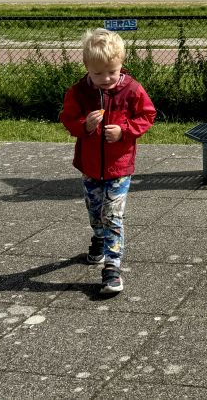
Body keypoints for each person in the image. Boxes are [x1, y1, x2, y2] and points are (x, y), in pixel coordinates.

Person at [60, 28, 156, 294]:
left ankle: (112, 267)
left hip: (119, 167)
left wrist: (124, 131)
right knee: (95, 212)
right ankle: (99, 239)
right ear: (86, 67)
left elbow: (147, 116)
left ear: (121, 65)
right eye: (97, 73)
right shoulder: (78, 92)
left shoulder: (132, 90)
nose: (105, 79)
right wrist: (85, 125)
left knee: (112, 216)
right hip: (90, 167)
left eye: (112, 72)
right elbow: (68, 120)